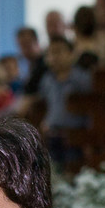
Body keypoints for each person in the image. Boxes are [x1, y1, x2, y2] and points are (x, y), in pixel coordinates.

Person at [38, 35, 93, 169]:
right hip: (51, 137)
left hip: (75, 138)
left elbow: (92, 108)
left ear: (71, 54)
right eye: (51, 53)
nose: (54, 57)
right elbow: (45, 105)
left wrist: (89, 139)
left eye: (58, 51)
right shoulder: (47, 80)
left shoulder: (82, 79)